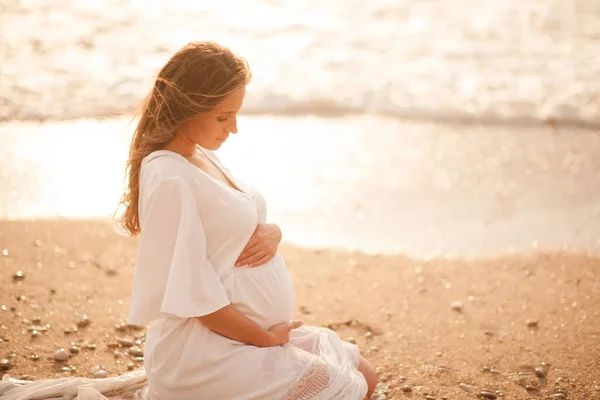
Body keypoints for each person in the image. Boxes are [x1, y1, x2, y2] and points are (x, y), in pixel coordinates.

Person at [118, 41, 377, 400]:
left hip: (244, 335)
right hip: (206, 349)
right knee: (346, 388)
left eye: (236, 114)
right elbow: (194, 296)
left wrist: (274, 233)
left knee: (365, 374)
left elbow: (236, 218)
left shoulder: (201, 155)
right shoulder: (169, 177)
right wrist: (265, 339)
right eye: (223, 117)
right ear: (188, 108)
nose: (233, 129)